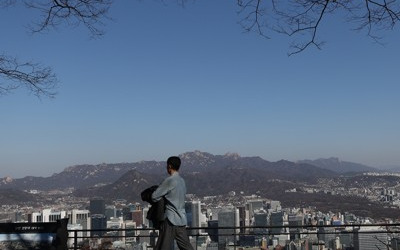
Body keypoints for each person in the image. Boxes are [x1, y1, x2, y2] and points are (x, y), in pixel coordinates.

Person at [151, 156, 194, 250]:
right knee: (186, 247)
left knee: (163, 247)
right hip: (181, 220)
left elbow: (154, 196)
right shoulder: (182, 181)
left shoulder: (169, 180)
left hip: (170, 220)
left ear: (169, 166)